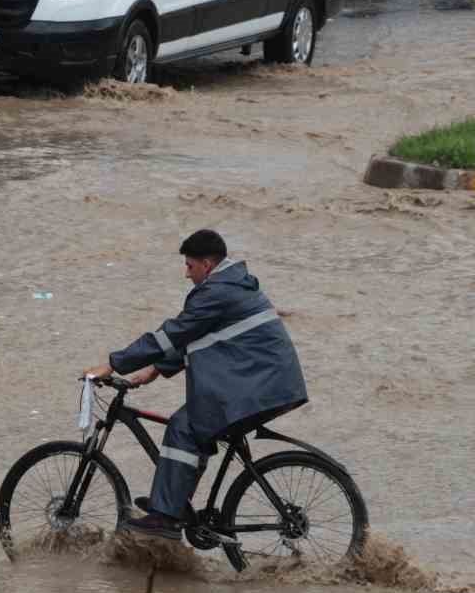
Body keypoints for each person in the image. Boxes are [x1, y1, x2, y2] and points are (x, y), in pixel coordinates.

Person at [82, 230, 308, 541]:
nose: (186, 274)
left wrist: (113, 363)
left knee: (184, 426)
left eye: (189, 266)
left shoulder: (217, 291)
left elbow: (172, 334)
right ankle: (173, 504)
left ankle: (166, 516)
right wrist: (158, 368)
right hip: (267, 383)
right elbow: (202, 335)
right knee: (194, 426)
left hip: (259, 386)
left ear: (206, 263)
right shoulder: (231, 284)